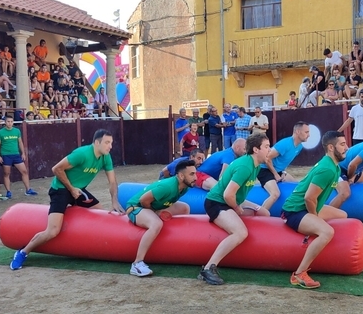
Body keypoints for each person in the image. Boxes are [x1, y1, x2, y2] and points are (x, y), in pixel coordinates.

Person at [10, 129, 125, 270]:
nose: (110, 146)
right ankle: (23, 252)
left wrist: (114, 200)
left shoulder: (106, 157)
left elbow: (112, 182)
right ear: (97, 142)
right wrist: (71, 189)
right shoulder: (82, 154)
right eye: (107, 143)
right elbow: (56, 169)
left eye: (111, 143)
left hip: (80, 190)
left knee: (100, 215)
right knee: (52, 231)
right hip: (61, 190)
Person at [199, 133, 272, 285]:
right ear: (255, 149)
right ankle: (208, 268)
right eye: (266, 147)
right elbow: (228, 195)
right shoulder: (245, 166)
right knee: (240, 232)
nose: (270, 150)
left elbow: (237, 194)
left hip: (229, 201)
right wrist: (237, 208)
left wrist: (254, 207)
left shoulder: (255, 166)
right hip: (216, 203)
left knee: (261, 212)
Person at [280, 131, 349, 289]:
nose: (347, 148)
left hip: (307, 207)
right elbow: (309, 198)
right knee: (327, 232)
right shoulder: (327, 169)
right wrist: (315, 217)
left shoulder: (334, 166)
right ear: (331, 147)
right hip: (294, 211)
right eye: (343, 144)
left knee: (343, 215)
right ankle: (299, 274)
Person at [126, 160, 196, 277]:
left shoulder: (185, 187)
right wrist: (155, 212)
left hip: (156, 206)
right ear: (181, 176)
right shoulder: (167, 187)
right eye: (192, 174)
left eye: (195, 173)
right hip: (135, 207)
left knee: (184, 208)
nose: (196, 177)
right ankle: (137, 263)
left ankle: (180, 245)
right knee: (156, 224)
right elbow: (143, 200)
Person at [258, 121, 310, 213]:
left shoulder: (299, 147)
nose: (308, 135)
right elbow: (267, 158)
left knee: (298, 186)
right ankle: (259, 216)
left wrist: (283, 172)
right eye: (306, 132)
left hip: (278, 170)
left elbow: (283, 162)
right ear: (298, 132)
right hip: (264, 169)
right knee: (275, 194)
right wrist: (275, 174)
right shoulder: (285, 144)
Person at [0, 115, 37, 198]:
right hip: (6, 155)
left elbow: (20, 142)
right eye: (8, 121)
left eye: (11, 121)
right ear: (5, 122)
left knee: (24, 171)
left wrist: (23, 153)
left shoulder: (17, 131)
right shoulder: (0, 132)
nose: (10, 123)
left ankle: (28, 189)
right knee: (6, 173)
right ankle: (8, 191)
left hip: (16, 154)